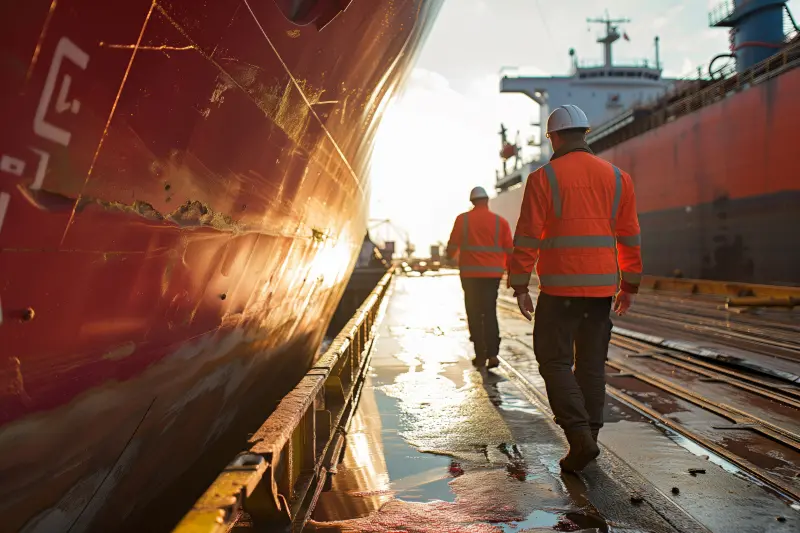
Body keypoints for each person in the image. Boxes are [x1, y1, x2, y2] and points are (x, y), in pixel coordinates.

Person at [508, 104, 642, 473]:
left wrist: (520, 285)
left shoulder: (543, 179)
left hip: (559, 291)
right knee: (592, 365)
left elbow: (528, 237)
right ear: (586, 133)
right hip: (601, 292)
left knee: (555, 361)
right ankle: (590, 440)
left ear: (553, 137)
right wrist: (629, 284)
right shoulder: (618, 178)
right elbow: (630, 238)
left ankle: (580, 438)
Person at [446, 186, 514, 369]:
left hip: (470, 276)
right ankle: (493, 354)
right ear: (487, 200)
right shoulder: (500, 222)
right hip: (493, 275)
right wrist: (512, 274)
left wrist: (450, 257)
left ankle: (480, 355)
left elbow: (452, 246)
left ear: (472, 201)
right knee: (490, 312)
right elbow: (510, 250)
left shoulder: (463, 220)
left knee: (475, 313)